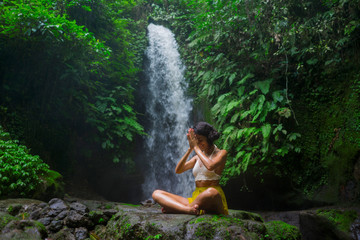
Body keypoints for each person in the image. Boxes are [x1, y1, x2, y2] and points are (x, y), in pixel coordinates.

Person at [152, 122, 229, 215]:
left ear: (209, 138)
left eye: (200, 140)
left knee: (212, 192)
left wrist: (196, 147)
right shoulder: (197, 157)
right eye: (196, 141)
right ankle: (187, 209)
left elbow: (210, 166)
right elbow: (178, 170)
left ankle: (176, 208)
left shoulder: (221, 153)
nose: (198, 143)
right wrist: (190, 149)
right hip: (196, 198)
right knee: (156, 193)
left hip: (211, 198)